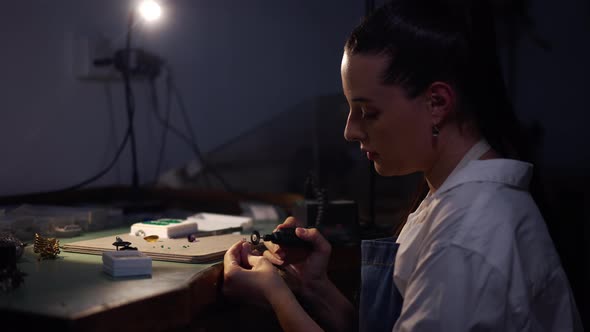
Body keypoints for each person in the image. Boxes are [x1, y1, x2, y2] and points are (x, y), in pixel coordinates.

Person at [222, 0, 583, 331]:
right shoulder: (451, 200)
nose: (350, 131)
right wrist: (314, 286)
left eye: (368, 112)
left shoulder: (465, 241)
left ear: (437, 103)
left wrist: (276, 294)